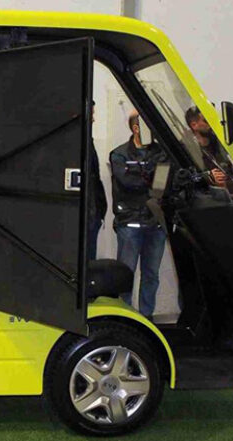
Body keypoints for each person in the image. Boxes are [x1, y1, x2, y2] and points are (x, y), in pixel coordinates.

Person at [109, 111, 167, 320]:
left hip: (155, 222)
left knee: (151, 274)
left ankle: (146, 316)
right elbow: (128, 183)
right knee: (126, 274)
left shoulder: (162, 153)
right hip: (129, 222)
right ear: (136, 128)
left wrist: (144, 177)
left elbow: (161, 184)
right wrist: (149, 177)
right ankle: (125, 317)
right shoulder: (119, 154)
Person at [185, 107, 228, 188]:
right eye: (206, 121)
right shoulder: (186, 148)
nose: (211, 124)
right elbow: (187, 178)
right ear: (194, 125)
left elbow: (228, 164)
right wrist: (207, 177)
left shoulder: (218, 142)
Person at [87, 101, 108, 260]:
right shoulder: (75, 145)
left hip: (92, 213)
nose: (93, 119)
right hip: (88, 214)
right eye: (91, 114)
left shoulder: (88, 141)